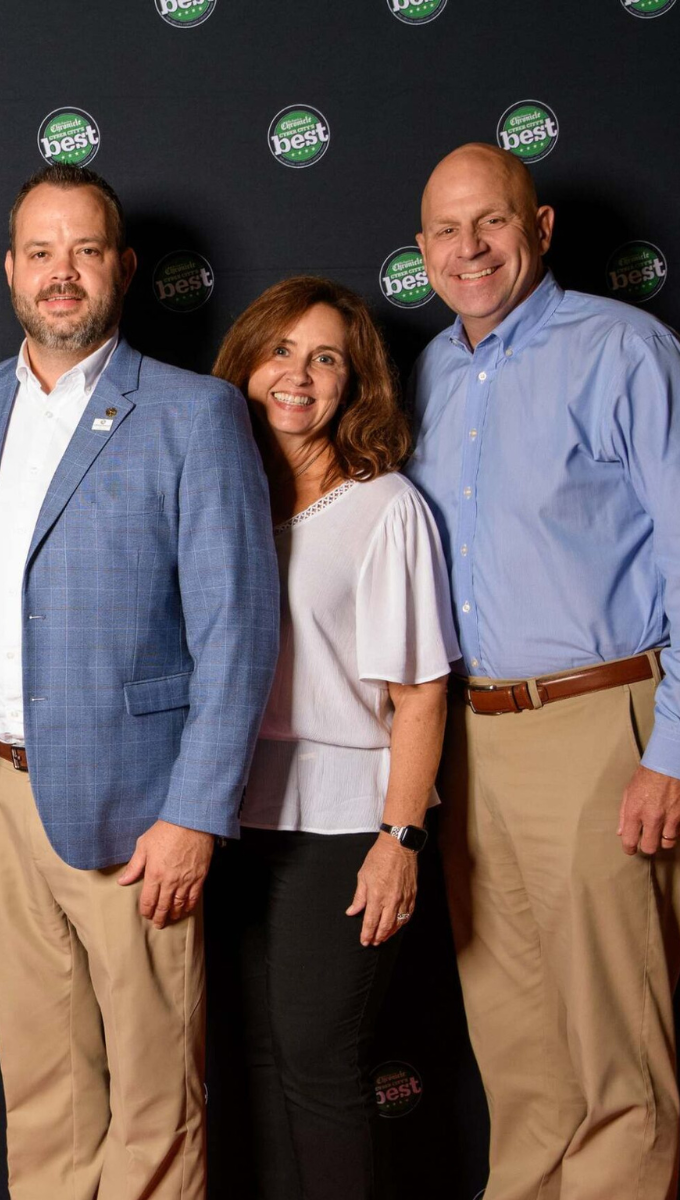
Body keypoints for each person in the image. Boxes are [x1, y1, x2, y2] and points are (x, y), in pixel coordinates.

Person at [0, 163, 280, 1200]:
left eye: (84, 250)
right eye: (40, 252)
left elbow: (239, 628)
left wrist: (196, 815)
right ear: (9, 272)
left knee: (156, 1093)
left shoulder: (193, 414)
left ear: (123, 268)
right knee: (42, 1082)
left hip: (139, 807)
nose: (61, 273)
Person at [406, 144, 680, 1200]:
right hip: (473, 741)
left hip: (606, 729)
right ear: (421, 252)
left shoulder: (626, 351)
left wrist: (679, 750)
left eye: (493, 223)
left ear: (541, 227)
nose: (470, 249)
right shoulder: (427, 370)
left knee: (615, 1060)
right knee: (518, 1053)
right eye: (447, 231)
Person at [206, 277, 458, 1199]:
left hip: (348, 822)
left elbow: (422, 694)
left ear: (355, 385)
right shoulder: (219, 497)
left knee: (317, 1062)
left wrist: (400, 840)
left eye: (325, 359)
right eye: (280, 351)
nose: (298, 376)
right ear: (245, 365)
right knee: (259, 1059)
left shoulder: (384, 507)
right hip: (234, 815)